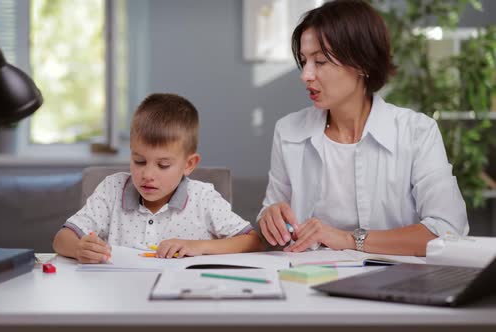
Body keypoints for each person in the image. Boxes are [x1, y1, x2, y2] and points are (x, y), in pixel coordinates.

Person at [257, 0, 468, 256]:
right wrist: (269, 219)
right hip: (306, 280)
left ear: (362, 64)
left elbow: (447, 231)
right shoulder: (288, 131)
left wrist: (347, 239)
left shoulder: (417, 133)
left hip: (394, 286)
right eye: (304, 61)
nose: (306, 75)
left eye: (320, 61)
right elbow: (272, 216)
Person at [53, 93, 263, 263]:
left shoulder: (203, 198)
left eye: (163, 165)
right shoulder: (112, 189)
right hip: (119, 301)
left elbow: (253, 241)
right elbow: (61, 239)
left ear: (189, 164)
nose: (148, 175)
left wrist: (198, 246)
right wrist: (79, 248)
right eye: (139, 161)